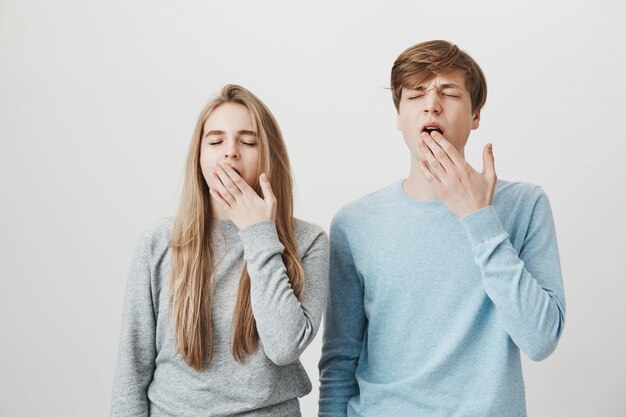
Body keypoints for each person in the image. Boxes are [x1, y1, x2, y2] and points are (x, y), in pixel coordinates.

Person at [318, 40, 566, 416]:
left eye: (449, 92)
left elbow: (541, 339)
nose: (432, 104)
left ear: (476, 114)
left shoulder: (525, 205)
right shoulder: (354, 223)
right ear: (399, 118)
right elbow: (339, 361)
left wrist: (478, 218)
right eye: (416, 94)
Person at [111, 84, 329, 417]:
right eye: (215, 141)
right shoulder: (158, 242)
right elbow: (132, 367)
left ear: (269, 155)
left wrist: (259, 235)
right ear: (199, 157)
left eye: (248, 141)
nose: (230, 153)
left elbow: (285, 346)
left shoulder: (310, 242)